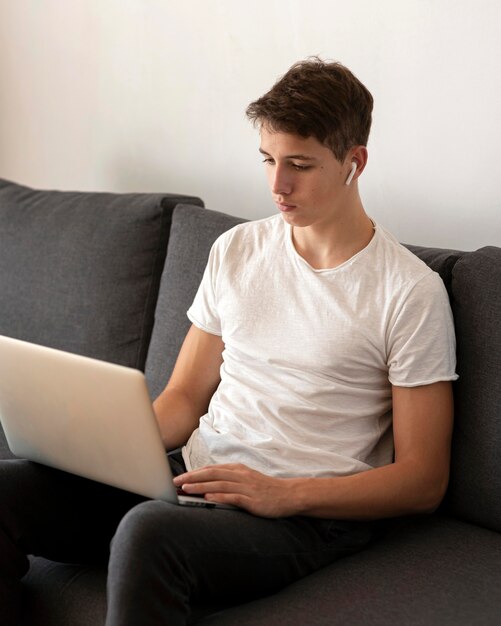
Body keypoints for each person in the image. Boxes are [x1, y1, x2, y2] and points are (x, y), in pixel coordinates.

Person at [0, 58, 457, 626]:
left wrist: (285, 495)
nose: (277, 185)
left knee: (147, 535)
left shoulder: (409, 291)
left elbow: (424, 479)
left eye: (300, 165)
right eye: (268, 159)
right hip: (195, 478)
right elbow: (184, 399)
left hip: (302, 517)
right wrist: (101, 452)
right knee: (7, 487)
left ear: (353, 162)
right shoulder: (236, 250)